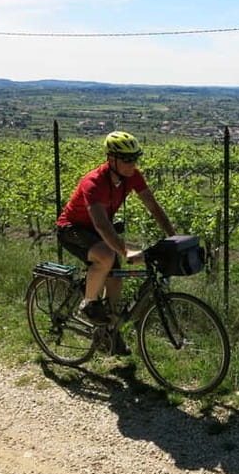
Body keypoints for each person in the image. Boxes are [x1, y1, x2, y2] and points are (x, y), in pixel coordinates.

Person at [56, 131, 176, 337]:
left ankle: (110, 333)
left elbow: (154, 207)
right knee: (107, 255)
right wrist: (125, 251)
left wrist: (173, 237)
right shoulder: (93, 182)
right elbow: (101, 225)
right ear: (111, 159)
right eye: (127, 159)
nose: (132, 164)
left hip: (97, 231)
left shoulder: (133, 177)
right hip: (72, 228)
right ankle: (88, 303)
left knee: (116, 280)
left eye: (135, 158)